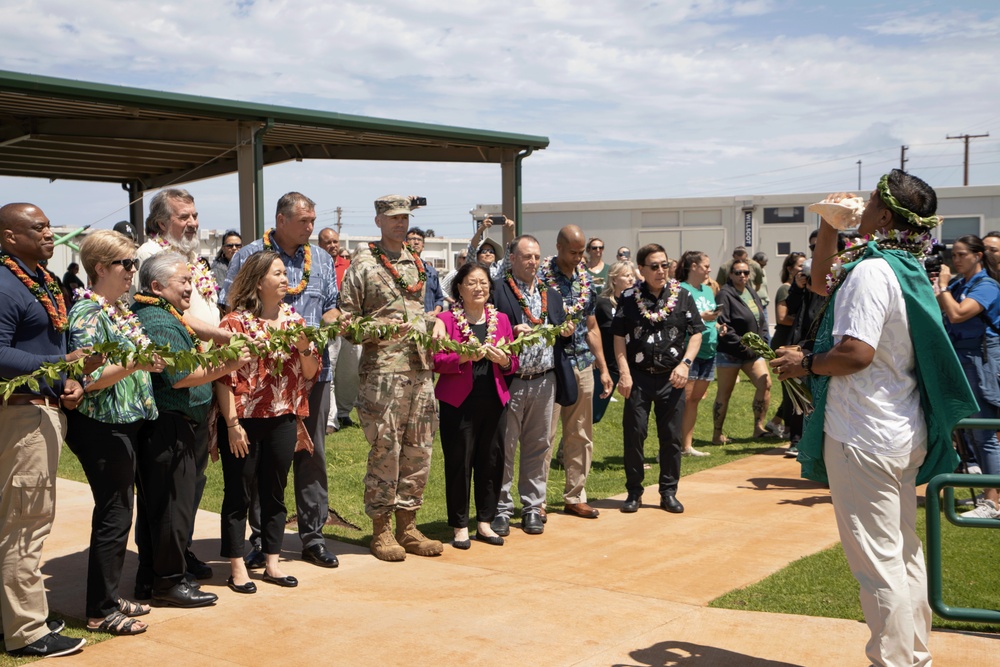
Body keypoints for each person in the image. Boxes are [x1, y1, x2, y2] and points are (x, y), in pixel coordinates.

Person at [772, 170, 977, 667]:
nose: (861, 205)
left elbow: (856, 353)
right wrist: (829, 224)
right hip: (901, 431)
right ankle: (916, 657)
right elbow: (821, 281)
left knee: (878, 568)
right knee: (903, 557)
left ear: (884, 216)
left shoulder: (870, 270)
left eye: (870, 201)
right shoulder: (904, 266)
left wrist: (806, 362)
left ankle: (895, 662)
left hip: (864, 435)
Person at [222, 192, 341, 570]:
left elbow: (331, 306)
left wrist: (333, 325)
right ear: (281, 220)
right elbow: (231, 305)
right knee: (259, 463)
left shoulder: (321, 258)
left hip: (311, 374)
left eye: (312, 220)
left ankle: (312, 536)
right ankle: (261, 538)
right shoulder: (250, 254)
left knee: (311, 454)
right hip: (260, 383)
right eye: (304, 221)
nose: (311, 227)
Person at [0, 202, 91, 659]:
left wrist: (67, 381)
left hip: (42, 408)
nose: (49, 233)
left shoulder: (41, 280)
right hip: (22, 417)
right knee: (26, 524)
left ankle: (12, 619)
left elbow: (51, 343)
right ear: (10, 237)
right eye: (38, 228)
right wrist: (58, 366)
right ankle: (28, 633)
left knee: (21, 519)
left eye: (49, 225)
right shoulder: (3, 285)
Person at [132, 252, 247, 609]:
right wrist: (231, 363)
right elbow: (179, 377)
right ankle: (168, 582)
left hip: (179, 424)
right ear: (156, 287)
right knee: (171, 507)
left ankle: (153, 576)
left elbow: (193, 326)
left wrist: (224, 338)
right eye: (182, 281)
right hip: (170, 424)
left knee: (167, 505)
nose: (190, 286)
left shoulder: (166, 314)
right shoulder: (158, 321)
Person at [65, 230, 163, 635]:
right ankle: (100, 610)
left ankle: (108, 594)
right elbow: (90, 375)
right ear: (101, 267)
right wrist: (139, 363)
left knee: (120, 510)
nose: (132, 271)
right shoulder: (87, 313)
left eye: (134, 263)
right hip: (100, 424)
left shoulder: (116, 309)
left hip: (123, 422)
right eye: (126, 264)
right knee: (114, 513)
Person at [339, 194, 444, 561]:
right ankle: (381, 530)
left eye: (405, 218)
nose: (401, 224)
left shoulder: (416, 263)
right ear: (379, 221)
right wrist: (378, 327)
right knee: (387, 450)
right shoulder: (363, 266)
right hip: (383, 374)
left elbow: (420, 310)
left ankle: (408, 525)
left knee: (420, 449)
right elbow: (346, 324)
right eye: (394, 218)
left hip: (419, 369)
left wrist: (435, 324)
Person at [215, 251, 320, 592]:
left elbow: (309, 374)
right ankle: (236, 568)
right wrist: (231, 425)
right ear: (259, 282)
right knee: (238, 494)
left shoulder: (295, 323)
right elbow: (222, 378)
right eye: (277, 273)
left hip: (282, 418)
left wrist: (304, 348)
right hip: (243, 421)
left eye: (285, 272)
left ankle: (272, 563)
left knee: (275, 492)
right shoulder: (234, 324)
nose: (285, 277)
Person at [136, 188, 224, 581]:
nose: (192, 223)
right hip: (176, 387)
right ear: (160, 223)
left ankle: (180, 553)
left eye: (194, 215)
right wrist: (223, 340)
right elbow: (178, 319)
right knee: (168, 489)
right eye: (182, 217)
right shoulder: (150, 258)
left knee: (191, 481)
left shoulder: (193, 260)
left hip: (202, 382)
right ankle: (162, 569)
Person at [491, 235, 574, 536]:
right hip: (512, 380)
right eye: (526, 256)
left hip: (545, 380)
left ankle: (532, 507)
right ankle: (501, 509)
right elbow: (487, 327)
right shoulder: (498, 291)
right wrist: (510, 330)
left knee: (539, 447)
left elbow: (562, 334)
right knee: (506, 446)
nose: (533, 262)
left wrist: (567, 329)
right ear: (511, 259)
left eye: (537, 257)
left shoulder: (550, 294)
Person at [614, 244, 704, 514]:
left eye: (664, 265)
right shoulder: (629, 298)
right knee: (634, 434)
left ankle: (668, 492)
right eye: (654, 266)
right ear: (640, 269)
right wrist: (624, 372)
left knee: (671, 438)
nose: (661, 271)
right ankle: (634, 492)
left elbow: (697, 333)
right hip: (638, 378)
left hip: (672, 378)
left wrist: (686, 365)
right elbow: (618, 337)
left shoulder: (683, 296)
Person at [434, 262, 519, 548]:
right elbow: (436, 361)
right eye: (471, 282)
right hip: (458, 402)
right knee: (459, 462)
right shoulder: (446, 320)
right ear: (459, 287)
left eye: (483, 282)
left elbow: (513, 362)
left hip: (494, 400)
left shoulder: (502, 320)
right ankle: (459, 525)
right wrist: (463, 357)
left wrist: (503, 360)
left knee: (492, 461)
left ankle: (485, 521)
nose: (478, 287)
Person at [544, 225, 614, 519]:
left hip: (583, 363)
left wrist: (604, 367)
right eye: (572, 252)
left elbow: (592, 326)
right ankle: (537, 501)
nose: (577, 257)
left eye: (581, 251)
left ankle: (575, 496)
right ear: (559, 246)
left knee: (581, 434)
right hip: (551, 366)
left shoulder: (587, 281)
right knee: (544, 437)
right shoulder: (540, 277)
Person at [936, 234, 1000, 518]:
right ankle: (985, 497)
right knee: (971, 434)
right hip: (963, 359)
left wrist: (943, 287)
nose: (956, 259)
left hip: (981, 361)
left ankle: (992, 502)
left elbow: (958, 313)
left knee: (984, 433)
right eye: (954, 254)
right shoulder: (962, 284)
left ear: (978, 256)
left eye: (962, 254)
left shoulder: (987, 286)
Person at [713, 259, 772, 443]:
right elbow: (723, 324)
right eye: (738, 272)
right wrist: (742, 346)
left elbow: (760, 319)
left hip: (752, 353)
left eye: (746, 272)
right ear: (730, 275)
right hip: (730, 352)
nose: (742, 276)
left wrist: (762, 341)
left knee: (766, 384)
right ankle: (717, 434)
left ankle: (758, 428)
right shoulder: (725, 294)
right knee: (725, 392)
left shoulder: (750, 291)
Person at [677, 251, 719, 457]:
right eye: (706, 266)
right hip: (690, 351)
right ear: (693, 266)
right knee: (682, 401)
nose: (709, 270)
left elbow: (710, 316)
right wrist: (703, 316)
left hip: (710, 349)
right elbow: (679, 318)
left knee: (694, 400)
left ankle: (686, 446)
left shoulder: (708, 291)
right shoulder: (681, 290)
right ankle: (671, 447)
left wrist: (718, 324)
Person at [764, 252, 806, 440]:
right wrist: (804, 321)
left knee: (794, 389)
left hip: (794, 345)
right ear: (789, 269)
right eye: (799, 266)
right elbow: (782, 317)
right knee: (790, 389)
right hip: (784, 344)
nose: (802, 269)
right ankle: (788, 428)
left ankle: (777, 422)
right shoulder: (785, 289)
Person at [594, 260, 636, 423]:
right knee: (593, 415)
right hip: (608, 367)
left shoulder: (637, 304)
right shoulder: (602, 304)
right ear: (614, 280)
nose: (631, 279)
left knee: (635, 414)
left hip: (632, 367)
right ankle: (567, 447)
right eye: (626, 276)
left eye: (632, 275)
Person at [406, 227, 444, 314]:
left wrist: (436, 312)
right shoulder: (399, 268)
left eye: (419, 240)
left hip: (428, 321)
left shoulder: (431, 271)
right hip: (408, 323)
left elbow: (439, 298)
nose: (416, 242)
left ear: (423, 246)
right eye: (412, 239)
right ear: (405, 243)